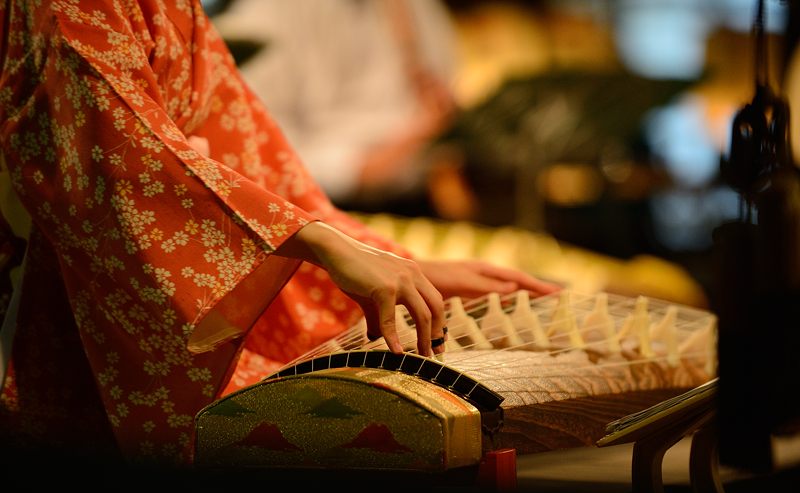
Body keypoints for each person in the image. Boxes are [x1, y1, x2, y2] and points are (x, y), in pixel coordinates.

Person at [0, 0, 557, 466]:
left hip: (256, 228)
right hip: (107, 299)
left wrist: (395, 262)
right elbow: (125, 164)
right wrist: (323, 244)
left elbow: (258, 164)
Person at [210, 0, 460, 215]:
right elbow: (255, 142)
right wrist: (358, 171)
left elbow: (441, 76)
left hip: (419, 190)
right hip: (323, 207)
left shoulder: (410, 6)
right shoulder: (265, 18)